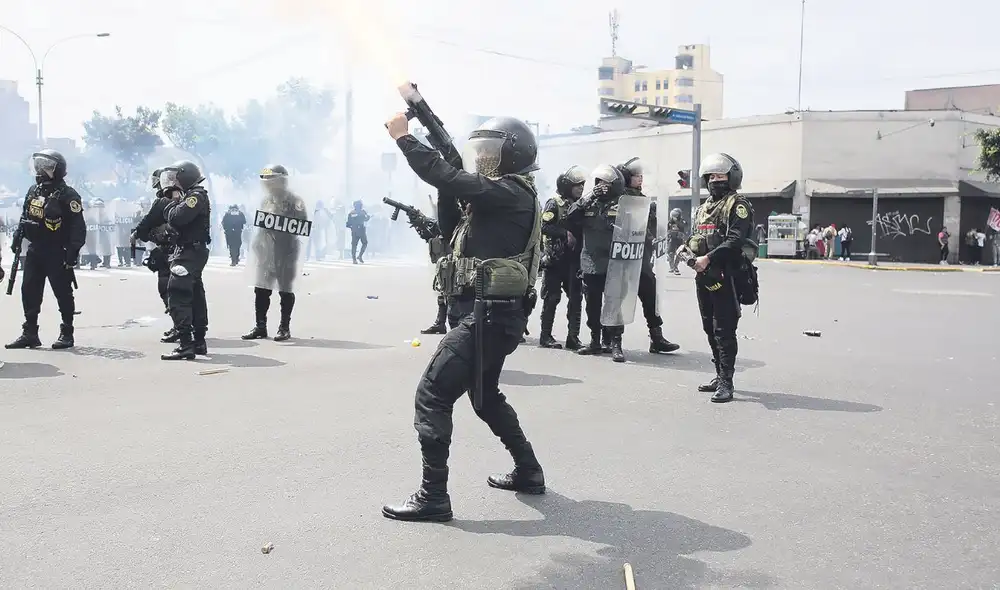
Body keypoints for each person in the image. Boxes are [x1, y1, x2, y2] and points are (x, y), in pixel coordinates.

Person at [380, 113, 545, 523]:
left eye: (491, 152)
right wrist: (419, 108)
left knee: (432, 395)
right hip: (492, 316)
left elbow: (448, 175)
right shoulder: (501, 195)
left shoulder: (510, 192)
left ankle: (433, 496)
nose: (483, 159)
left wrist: (405, 139)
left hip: (487, 317)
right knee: (485, 396)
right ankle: (529, 470)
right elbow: (451, 170)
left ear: (512, 155)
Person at [687, 153, 754, 403]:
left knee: (724, 329)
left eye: (721, 176)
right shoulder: (703, 208)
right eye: (712, 176)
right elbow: (696, 236)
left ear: (732, 177)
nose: (716, 180)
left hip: (728, 274)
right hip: (704, 274)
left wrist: (708, 258)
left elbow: (735, 239)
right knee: (708, 326)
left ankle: (727, 381)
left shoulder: (737, 204)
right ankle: (718, 374)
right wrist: (688, 251)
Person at [6, 149, 86, 350]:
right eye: (39, 165)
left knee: (63, 293)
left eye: (46, 167)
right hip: (35, 249)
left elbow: (78, 226)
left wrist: (73, 251)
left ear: (57, 170)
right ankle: (30, 332)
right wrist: (18, 237)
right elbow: (25, 216)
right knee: (29, 290)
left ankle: (67, 332)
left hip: (57, 250)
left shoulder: (69, 195)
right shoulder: (34, 190)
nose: (40, 170)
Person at [617, 157, 680, 356]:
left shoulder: (645, 201)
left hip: (642, 260)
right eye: (636, 176)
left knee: (651, 298)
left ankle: (656, 338)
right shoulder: (618, 200)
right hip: (623, 259)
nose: (640, 179)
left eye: (641, 176)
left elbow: (651, 229)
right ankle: (614, 342)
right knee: (619, 301)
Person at [565, 164, 627, 360]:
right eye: (599, 182)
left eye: (606, 183)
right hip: (591, 262)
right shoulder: (588, 203)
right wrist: (590, 196)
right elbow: (571, 216)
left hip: (615, 262)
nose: (602, 186)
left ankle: (615, 344)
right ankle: (595, 341)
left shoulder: (623, 204)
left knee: (614, 305)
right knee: (592, 305)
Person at [241, 165, 308, 342]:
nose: (268, 185)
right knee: (261, 289)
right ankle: (260, 326)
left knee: (285, 290)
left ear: (281, 181)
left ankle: (284, 327)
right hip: (266, 252)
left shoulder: (294, 201)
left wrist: (282, 223)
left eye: (272, 181)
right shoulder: (266, 201)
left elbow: (301, 225)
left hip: (286, 252)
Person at [158, 160, 211, 361]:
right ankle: (198, 342)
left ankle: (185, 344)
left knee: (178, 294)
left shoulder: (194, 197)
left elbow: (176, 218)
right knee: (195, 294)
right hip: (190, 251)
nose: (172, 184)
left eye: (175, 178)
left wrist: (172, 202)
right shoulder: (192, 195)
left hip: (189, 253)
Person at [537, 164, 586, 350]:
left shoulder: (579, 205)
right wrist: (564, 233)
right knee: (552, 299)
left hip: (573, 261)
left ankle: (573, 337)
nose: (580, 188)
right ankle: (545, 336)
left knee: (576, 298)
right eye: (577, 185)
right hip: (555, 260)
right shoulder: (554, 203)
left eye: (582, 185)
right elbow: (545, 226)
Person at [132, 169, 177, 342]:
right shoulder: (181, 197)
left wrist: (137, 234)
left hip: (169, 250)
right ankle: (190, 327)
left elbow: (148, 221)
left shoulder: (163, 200)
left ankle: (179, 326)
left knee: (167, 288)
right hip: (182, 250)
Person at [667, 208, 687, 275]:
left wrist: (677, 222)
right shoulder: (670, 222)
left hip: (679, 240)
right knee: (671, 253)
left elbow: (684, 227)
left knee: (679, 254)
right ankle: (671, 267)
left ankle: (676, 267)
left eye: (675, 214)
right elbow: (667, 229)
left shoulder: (682, 221)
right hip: (672, 239)